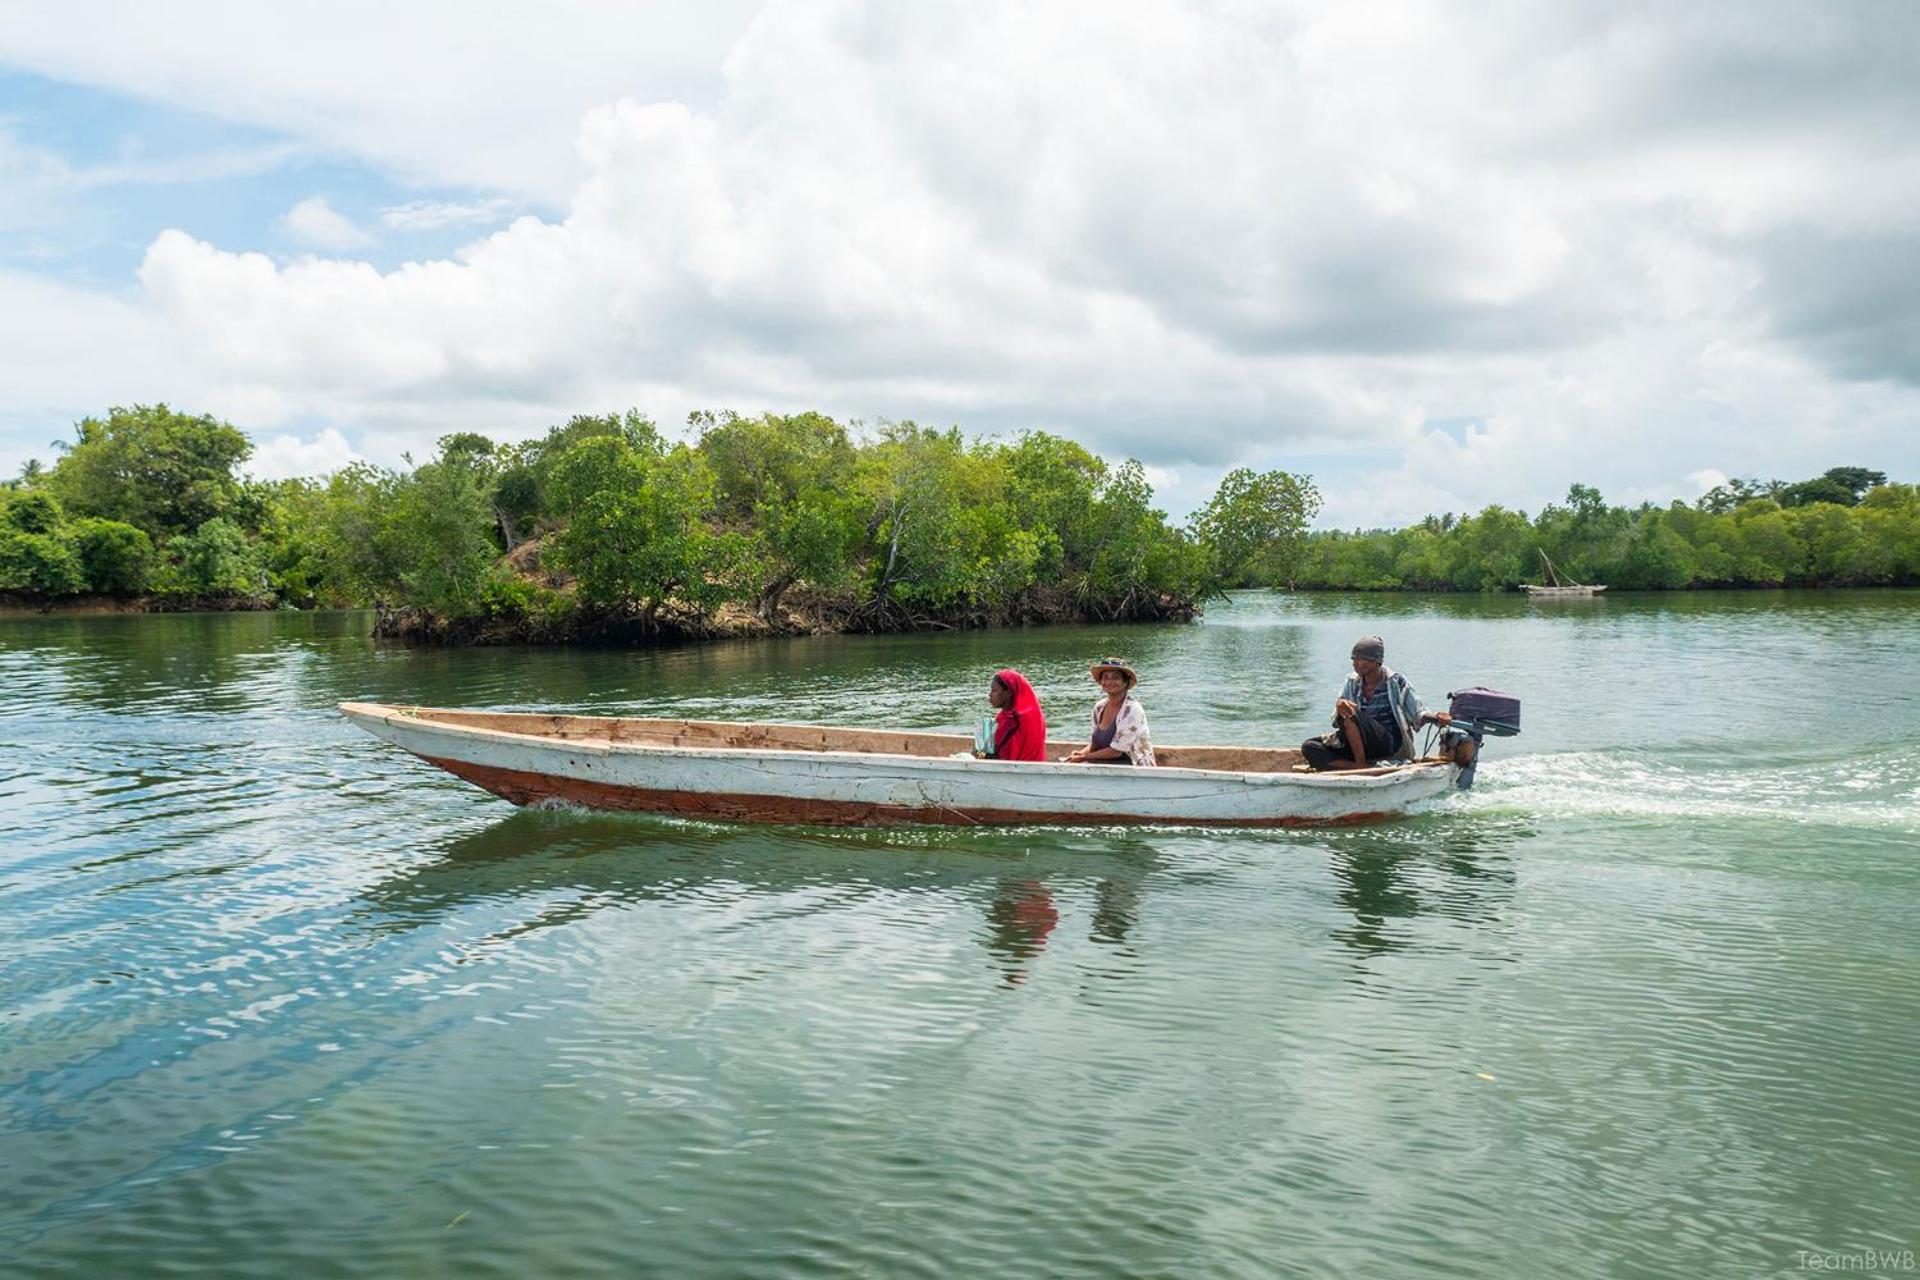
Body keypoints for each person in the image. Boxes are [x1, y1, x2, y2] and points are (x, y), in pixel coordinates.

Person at [1301, 635, 1451, 771]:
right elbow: (1337, 720)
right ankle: (1361, 767)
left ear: (1376, 661)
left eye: (1361, 659)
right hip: (1360, 744)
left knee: (1350, 712)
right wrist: (1339, 705)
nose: (1355, 664)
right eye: (1353, 659)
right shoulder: (1352, 681)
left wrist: (1437, 717)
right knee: (1310, 747)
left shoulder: (1395, 682)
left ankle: (1359, 766)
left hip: (1387, 743)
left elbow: (1418, 714)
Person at [1065, 657, 1156, 766]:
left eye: (1115, 678)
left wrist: (1084, 757)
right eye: (1105, 678)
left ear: (1125, 682)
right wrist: (1079, 754)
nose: (1109, 682)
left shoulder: (1132, 709)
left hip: (1134, 770)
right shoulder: (1099, 707)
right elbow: (1095, 745)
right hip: (1105, 767)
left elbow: (1116, 751)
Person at [982, 669, 1048, 762]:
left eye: (994, 690)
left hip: (1018, 772)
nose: (990, 695)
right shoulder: (1027, 714)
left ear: (1008, 693)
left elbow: (1004, 756)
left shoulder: (1014, 721)